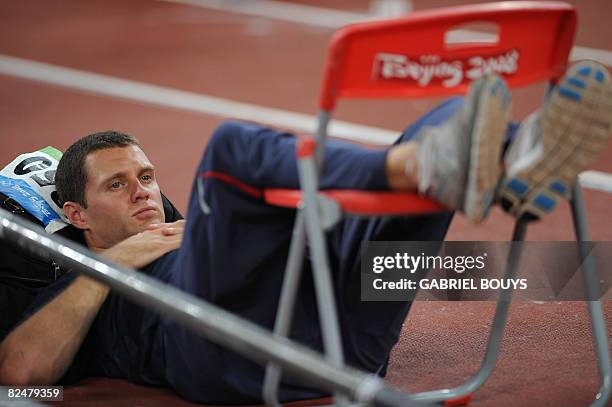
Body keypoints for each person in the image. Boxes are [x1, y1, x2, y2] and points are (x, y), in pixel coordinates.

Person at [0, 61, 610, 404]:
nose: (144, 191)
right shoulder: (74, 287)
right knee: (232, 145)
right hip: (222, 347)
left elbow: (398, 270)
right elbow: (20, 374)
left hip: (342, 347)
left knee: (450, 114)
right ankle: (437, 165)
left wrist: (554, 271)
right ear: (75, 217)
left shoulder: (192, 233)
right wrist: (121, 260)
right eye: (117, 185)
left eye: (147, 175)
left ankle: (518, 158)